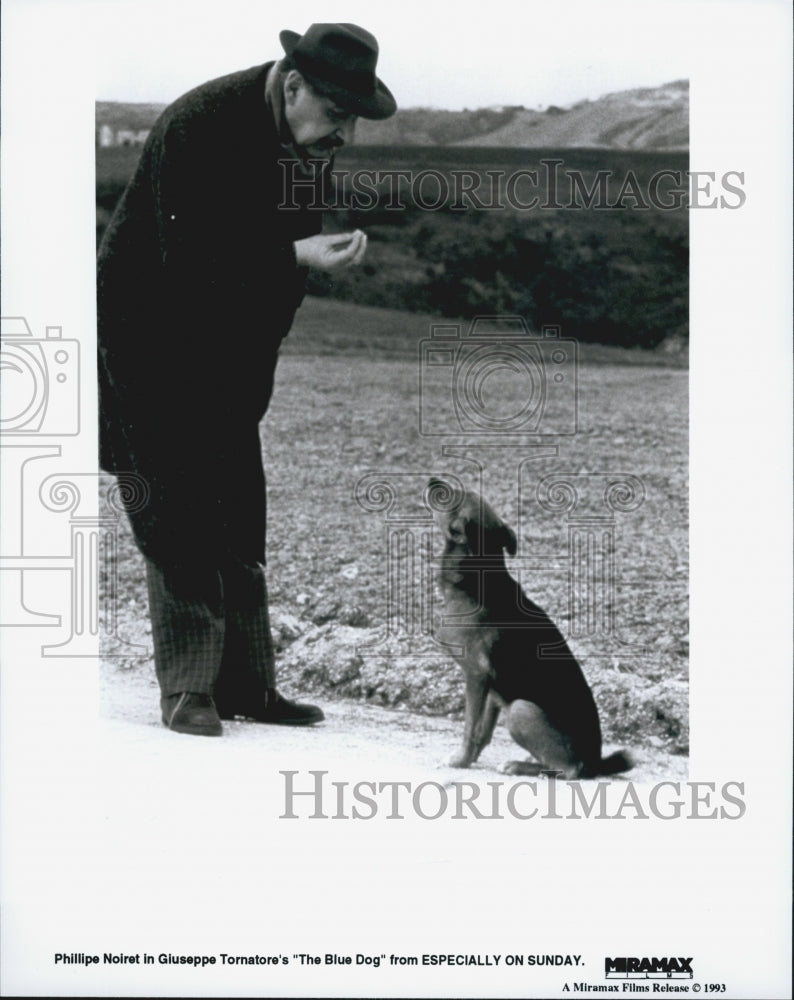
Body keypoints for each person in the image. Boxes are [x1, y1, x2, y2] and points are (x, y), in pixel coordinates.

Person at [97, 24, 397, 736]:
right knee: (174, 509)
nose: (345, 133)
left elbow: (283, 271)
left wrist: (267, 337)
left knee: (237, 506)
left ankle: (248, 688)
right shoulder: (197, 123)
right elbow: (185, 257)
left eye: (353, 118)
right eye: (337, 113)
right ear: (293, 87)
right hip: (148, 338)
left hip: (229, 350)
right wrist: (293, 252)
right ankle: (187, 690)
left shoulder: (306, 142)